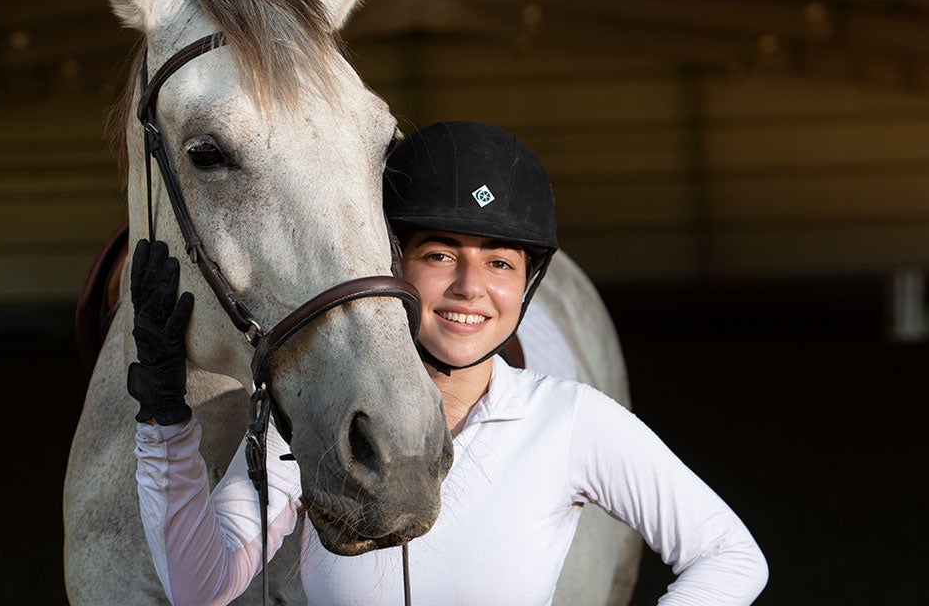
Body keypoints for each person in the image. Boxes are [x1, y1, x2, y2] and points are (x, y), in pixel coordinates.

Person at [129, 121, 769, 605]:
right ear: (393, 264)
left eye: (499, 263)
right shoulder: (316, 428)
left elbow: (732, 555)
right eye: (439, 255)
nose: (470, 287)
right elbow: (200, 586)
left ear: (526, 284)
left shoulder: (571, 421)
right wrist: (163, 421)